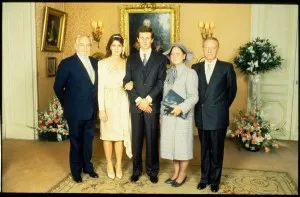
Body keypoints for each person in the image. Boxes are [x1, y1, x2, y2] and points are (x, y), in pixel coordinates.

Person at [192, 37, 237, 192]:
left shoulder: (226, 68)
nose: (210, 50)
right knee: (204, 150)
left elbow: (232, 92)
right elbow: (192, 91)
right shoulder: (195, 67)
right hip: (202, 115)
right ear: (202, 48)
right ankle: (204, 179)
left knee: (217, 151)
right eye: (207, 47)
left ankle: (215, 181)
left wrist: (221, 107)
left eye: (213, 47)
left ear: (218, 49)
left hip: (218, 116)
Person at [123, 25, 167, 184]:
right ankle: (136, 170)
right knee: (136, 140)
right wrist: (138, 100)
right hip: (136, 106)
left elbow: (161, 82)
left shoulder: (160, 59)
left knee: (152, 139)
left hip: (151, 105)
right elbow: (126, 81)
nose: (145, 40)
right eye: (142, 38)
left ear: (152, 39)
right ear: (137, 39)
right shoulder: (131, 58)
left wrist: (147, 99)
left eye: (148, 38)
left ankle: (152, 170)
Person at [54, 35, 99, 183]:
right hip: (75, 111)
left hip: (91, 110)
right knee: (76, 142)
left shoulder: (95, 62)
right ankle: (76, 171)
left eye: (88, 45)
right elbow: (58, 87)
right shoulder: (67, 63)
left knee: (88, 141)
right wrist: (67, 104)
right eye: (82, 45)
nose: (85, 48)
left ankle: (88, 167)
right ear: (75, 45)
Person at [160, 43, 199, 187]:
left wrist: (181, 108)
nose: (174, 56)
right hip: (168, 117)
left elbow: (194, 96)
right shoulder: (168, 73)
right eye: (172, 54)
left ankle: (182, 174)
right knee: (172, 146)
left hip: (182, 117)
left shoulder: (190, 73)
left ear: (184, 56)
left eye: (178, 53)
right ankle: (175, 172)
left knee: (182, 146)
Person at [98, 34, 132, 180]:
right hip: (108, 101)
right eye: (114, 45)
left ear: (122, 47)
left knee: (119, 135)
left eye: (119, 45)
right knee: (107, 135)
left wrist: (131, 84)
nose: (116, 48)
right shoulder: (102, 63)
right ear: (109, 47)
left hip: (122, 100)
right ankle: (109, 164)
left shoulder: (127, 62)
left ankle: (118, 164)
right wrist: (101, 109)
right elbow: (100, 87)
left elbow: (131, 81)